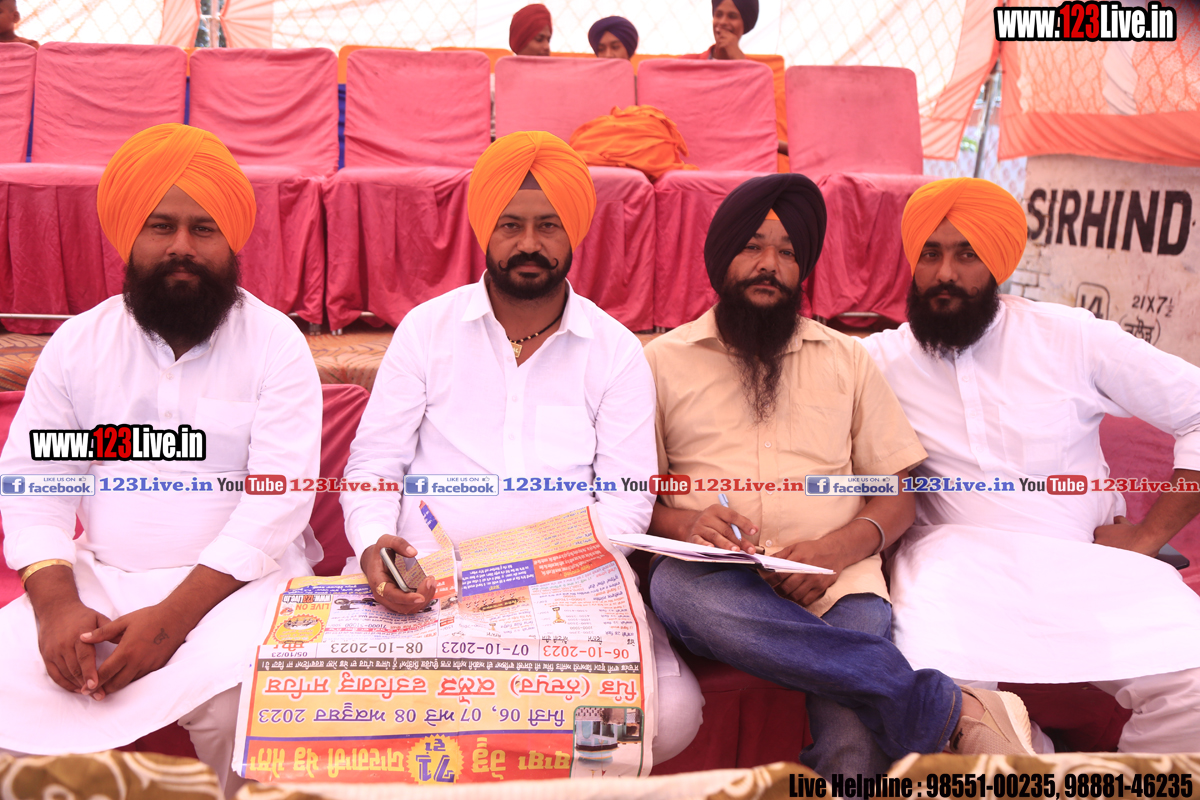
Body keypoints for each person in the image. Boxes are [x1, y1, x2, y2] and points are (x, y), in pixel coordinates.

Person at [644, 173, 1039, 778]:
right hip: (713, 578)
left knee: (852, 750)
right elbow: (635, 499)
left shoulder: (848, 358)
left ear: (803, 270)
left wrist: (833, 551)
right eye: (752, 247)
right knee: (678, 592)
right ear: (721, 258)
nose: (769, 265)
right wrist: (689, 524)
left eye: (788, 252)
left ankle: (895, 708)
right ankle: (948, 707)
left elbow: (897, 497)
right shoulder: (660, 362)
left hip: (839, 581)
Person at [340, 130, 703, 764]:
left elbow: (626, 502)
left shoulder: (615, 350)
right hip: (427, 582)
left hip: (568, 585)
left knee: (666, 717)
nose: (529, 244)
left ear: (573, 233)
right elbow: (374, 465)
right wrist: (375, 545)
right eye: (511, 224)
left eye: (547, 225)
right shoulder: (427, 330)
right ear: (486, 229)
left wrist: (538, 571)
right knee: (384, 709)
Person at [0, 124, 323, 795]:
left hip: (240, 591)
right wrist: (56, 605)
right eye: (161, 226)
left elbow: (276, 503)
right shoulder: (79, 346)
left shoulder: (275, 345)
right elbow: (37, 481)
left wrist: (172, 622)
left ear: (231, 241)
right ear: (129, 237)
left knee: (241, 711)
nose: (182, 247)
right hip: (101, 581)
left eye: (204, 229)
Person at [862, 176, 1200, 753]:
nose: (945, 273)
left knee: (1194, 685)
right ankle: (1035, 770)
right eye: (931, 254)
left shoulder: (1071, 338)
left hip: (1086, 560)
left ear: (997, 262)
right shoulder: (877, 360)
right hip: (953, 568)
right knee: (939, 702)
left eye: (967, 254)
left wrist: (1149, 536)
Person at [680, 0, 788, 165]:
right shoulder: (686, 64)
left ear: (745, 24)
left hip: (742, 159)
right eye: (718, 14)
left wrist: (739, 60)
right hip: (693, 155)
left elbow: (762, 124)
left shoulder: (759, 75)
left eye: (732, 16)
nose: (723, 22)